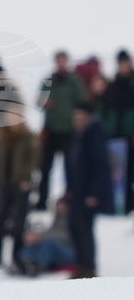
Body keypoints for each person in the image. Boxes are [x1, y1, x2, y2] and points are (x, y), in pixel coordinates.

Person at [0, 122, 38, 268]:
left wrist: (26, 178)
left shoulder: (28, 137)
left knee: (18, 224)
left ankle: (17, 258)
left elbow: (33, 160)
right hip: (2, 183)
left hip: (20, 184)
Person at [67, 103, 114, 278]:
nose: (77, 121)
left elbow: (101, 166)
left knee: (84, 228)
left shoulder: (95, 134)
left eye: (81, 117)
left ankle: (88, 268)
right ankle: (80, 266)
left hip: (88, 192)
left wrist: (94, 193)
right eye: (75, 118)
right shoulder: (80, 135)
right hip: (78, 191)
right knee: (75, 227)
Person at [37, 51, 87, 210]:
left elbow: (83, 103)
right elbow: (39, 102)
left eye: (63, 61)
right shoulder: (48, 81)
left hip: (69, 132)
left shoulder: (74, 82)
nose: (61, 64)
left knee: (70, 169)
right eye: (58, 61)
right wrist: (45, 102)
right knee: (45, 169)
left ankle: (70, 200)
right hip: (50, 131)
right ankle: (41, 201)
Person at [103, 49, 134, 214]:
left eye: (125, 62)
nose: (123, 66)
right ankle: (125, 205)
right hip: (116, 138)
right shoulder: (113, 84)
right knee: (121, 174)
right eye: (120, 63)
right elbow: (105, 108)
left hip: (131, 134)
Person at [14, 200, 76, 276]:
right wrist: (35, 235)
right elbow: (50, 231)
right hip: (57, 251)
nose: (58, 208)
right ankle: (22, 261)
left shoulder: (72, 220)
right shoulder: (57, 219)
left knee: (47, 243)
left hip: (69, 251)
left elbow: (64, 235)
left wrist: (40, 237)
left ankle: (37, 265)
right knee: (33, 242)